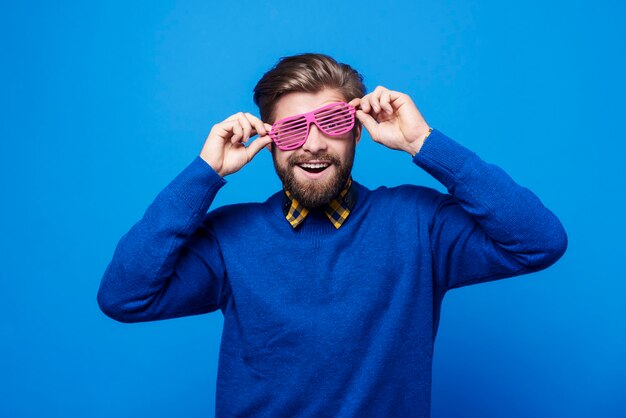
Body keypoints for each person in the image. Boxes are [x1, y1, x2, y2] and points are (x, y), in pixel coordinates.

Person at [97, 53, 568, 417]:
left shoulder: (418, 223)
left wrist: (425, 144)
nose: (314, 143)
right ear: (269, 140)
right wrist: (204, 174)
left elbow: (539, 240)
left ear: (358, 132)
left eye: (334, 123)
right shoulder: (230, 238)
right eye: (293, 129)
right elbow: (124, 297)